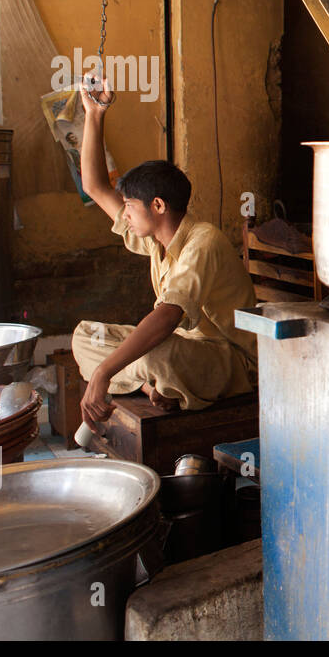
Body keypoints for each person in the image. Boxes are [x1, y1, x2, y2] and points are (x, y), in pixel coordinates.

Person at [71, 76, 258, 426]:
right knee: (84, 337)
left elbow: (168, 317)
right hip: (184, 349)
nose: (123, 213)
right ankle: (149, 385)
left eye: (129, 205)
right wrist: (95, 115)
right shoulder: (153, 238)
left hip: (229, 360)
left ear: (157, 206)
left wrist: (103, 375)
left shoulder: (204, 241)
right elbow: (95, 186)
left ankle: (151, 378)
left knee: (156, 353)